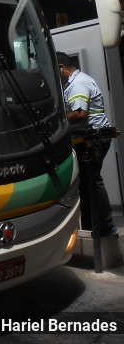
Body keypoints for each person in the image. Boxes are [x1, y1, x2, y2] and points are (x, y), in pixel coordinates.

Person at [57, 52, 119, 237]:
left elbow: (79, 114)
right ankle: (94, 228)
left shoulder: (78, 83)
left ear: (62, 67)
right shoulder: (79, 81)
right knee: (87, 183)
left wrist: (57, 119)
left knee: (92, 182)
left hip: (93, 139)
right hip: (93, 138)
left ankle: (106, 230)